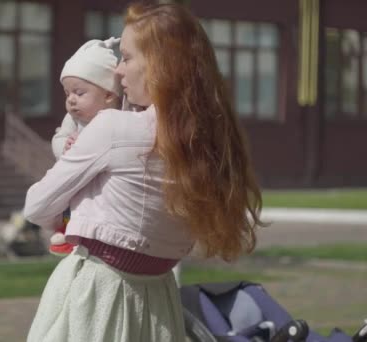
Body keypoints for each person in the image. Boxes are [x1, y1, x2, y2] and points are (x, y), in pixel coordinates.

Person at [23, 3, 264, 341]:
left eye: (126, 57)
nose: (118, 72)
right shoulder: (205, 146)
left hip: (97, 295)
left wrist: (69, 214)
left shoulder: (114, 128)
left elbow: (36, 205)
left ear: (160, 66)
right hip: (158, 300)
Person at [47, 37, 122, 256]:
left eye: (79, 93)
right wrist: (64, 148)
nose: (71, 100)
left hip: (104, 181)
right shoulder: (73, 120)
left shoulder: (117, 118)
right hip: (77, 175)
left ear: (109, 94)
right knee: (69, 197)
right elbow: (58, 138)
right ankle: (67, 230)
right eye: (67, 94)